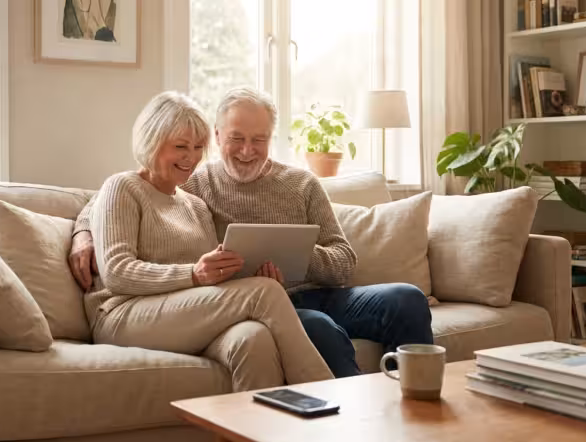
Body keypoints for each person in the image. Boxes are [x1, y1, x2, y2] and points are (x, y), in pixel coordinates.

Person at [72, 87, 433, 378]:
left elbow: (343, 264)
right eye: (236, 138)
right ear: (219, 136)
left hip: (315, 292)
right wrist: (83, 233)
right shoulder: (196, 184)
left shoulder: (301, 184)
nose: (247, 151)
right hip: (254, 302)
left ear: (271, 138)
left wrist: (298, 253)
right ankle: (352, 410)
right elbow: (115, 197)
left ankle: (417, 400)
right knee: (316, 326)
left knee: (406, 297)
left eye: (258, 140)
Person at [83, 90, 333, 391]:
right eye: (180, 146)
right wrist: (193, 274)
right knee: (263, 293)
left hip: (182, 316)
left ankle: (254, 438)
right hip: (123, 315)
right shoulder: (123, 187)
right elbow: (117, 273)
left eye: (198, 147)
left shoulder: (196, 205)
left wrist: (228, 270)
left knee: (253, 339)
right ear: (151, 142)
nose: (191, 158)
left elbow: (207, 282)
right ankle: (328, 399)